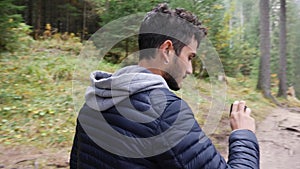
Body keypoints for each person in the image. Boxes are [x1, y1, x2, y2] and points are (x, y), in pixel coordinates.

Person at [70, 3, 259, 169]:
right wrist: (244, 133)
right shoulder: (167, 112)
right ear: (167, 50)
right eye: (189, 57)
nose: (190, 70)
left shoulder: (95, 99)